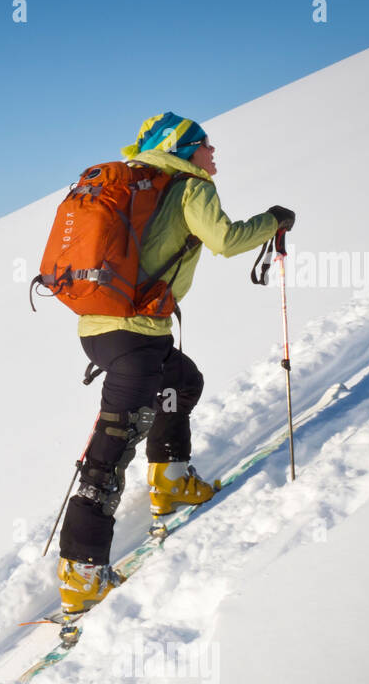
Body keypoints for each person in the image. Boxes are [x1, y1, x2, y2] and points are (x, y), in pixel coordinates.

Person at [57, 112, 294, 619]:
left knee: (181, 381)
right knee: (111, 449)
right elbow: (226, 240)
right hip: (135, 335)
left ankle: (169, 477)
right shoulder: (188, 187)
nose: (214, 154)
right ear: (184, 149)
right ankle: (81, 573)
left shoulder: (137, 185)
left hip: (101, 330)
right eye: (207, 145)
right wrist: (274, 220)